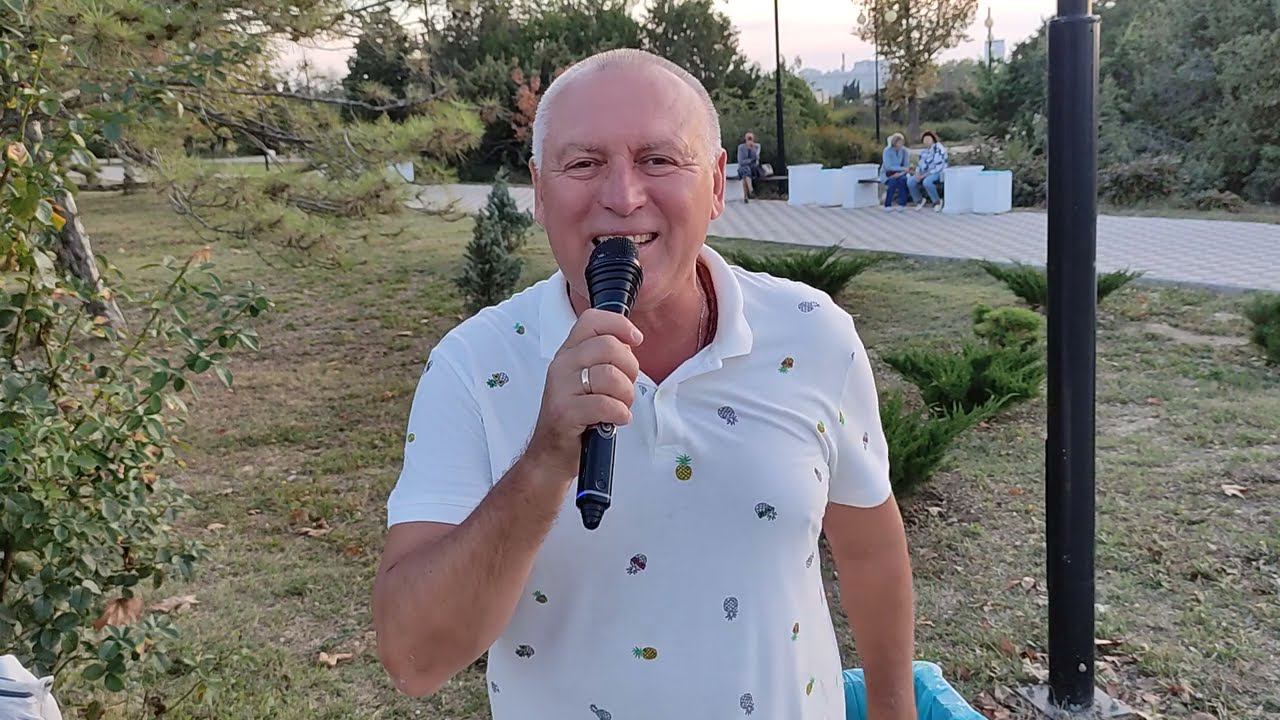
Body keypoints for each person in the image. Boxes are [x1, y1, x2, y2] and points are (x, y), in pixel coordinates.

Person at [373, 49, 916, 720]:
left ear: (716, 185)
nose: (623, 196)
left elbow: (869, 552)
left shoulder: (813, 334)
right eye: (583, 164)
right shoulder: (470, 366)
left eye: (659, 160)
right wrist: (543, 462)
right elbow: (413, 658)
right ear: (539, 192)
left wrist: (895, 710)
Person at [908, 130, 948, 211]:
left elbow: (938, 167)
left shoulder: (939, 149)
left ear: (933, 139)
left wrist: (924, 175)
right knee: (910, 181)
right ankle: (919, 201)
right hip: (924, 172)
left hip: (937, 172)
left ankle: (937, 202)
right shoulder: (924, 151)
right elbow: (920, 164)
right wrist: (917, 173)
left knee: (927, 182)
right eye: (924, 139)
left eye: (928, 139)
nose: (926, 141)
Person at [880, 133, 911, 212]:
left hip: (900, 174)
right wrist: (901, 169)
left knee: (903, 180)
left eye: (902, 142)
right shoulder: (887, 151)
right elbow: (888, 166)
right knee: (892, 182)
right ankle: (887, 205)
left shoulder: (904, 151)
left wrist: (900, 173)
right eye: (898, 142)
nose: (900, 144)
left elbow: (907, 167)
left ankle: (902, 204)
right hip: (888, 174)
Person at [736, 131, 762, 203]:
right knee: (745, 170)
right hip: (743, 168)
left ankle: (746, 195)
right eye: (748, 138)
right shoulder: (741, 147)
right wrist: (750, 160)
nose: (750, 140)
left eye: (751, 138)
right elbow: (741, 161)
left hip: (753, 168)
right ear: (745, 139)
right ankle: (751, 190)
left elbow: (757, 159)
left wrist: (752, 149)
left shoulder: (757, 146)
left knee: (745, 172)